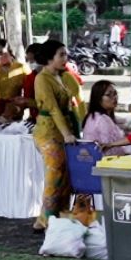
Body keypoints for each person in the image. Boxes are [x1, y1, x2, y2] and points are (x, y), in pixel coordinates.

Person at [32, 40, 83, 230]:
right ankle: (44, 219)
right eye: (61, 54)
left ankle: (60, 214)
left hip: (64, 130)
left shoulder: (63, 76)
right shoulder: (42, 78)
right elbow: (53, 109)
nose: (65, 58)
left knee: (66, 175)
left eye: (65, 54)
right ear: (49, 57)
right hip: (48, 132)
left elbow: (75, 102)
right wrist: (67, 134)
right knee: (54, 173)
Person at [83, 80, 128, 155]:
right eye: (108, 95)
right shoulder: (102, 120)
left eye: (115, 94)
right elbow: (110, 151)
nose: (114, 97)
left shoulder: (93, 116)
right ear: (98, 98)